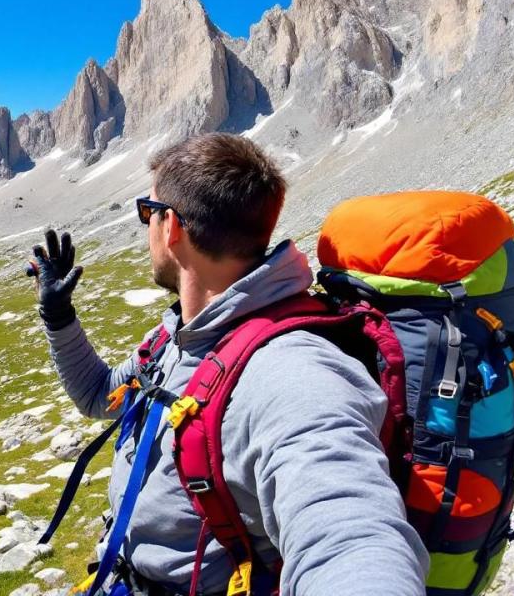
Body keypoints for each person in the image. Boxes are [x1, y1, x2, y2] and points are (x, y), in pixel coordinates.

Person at [29, 132, 428, 595]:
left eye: (147, 212)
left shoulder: (290, 372)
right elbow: (100, 394)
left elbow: (352, 540)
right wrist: (59, 317)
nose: (146, 228)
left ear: (171, 226)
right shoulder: (180, 335)